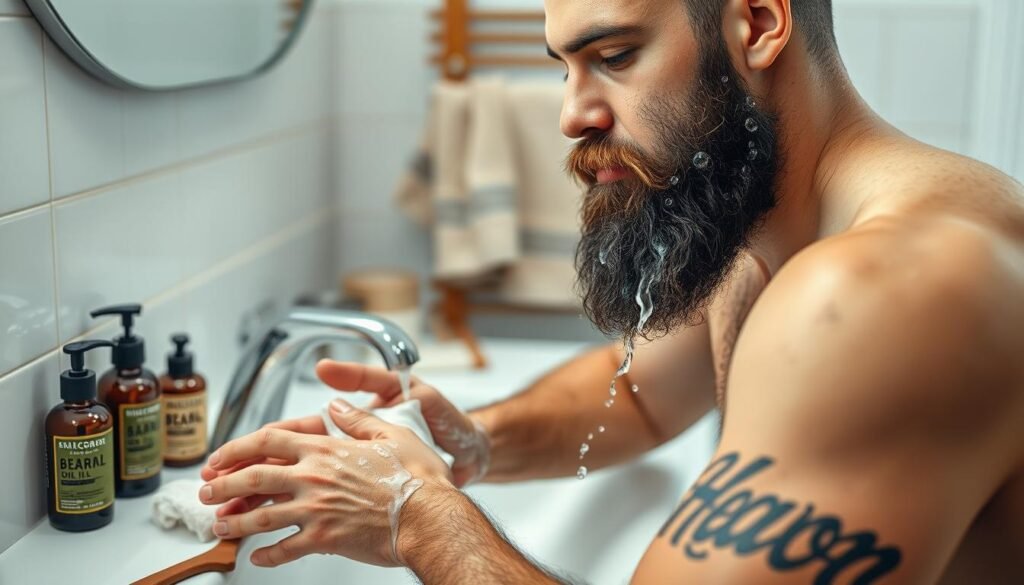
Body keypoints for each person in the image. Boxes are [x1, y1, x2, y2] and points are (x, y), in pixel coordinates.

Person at [199, 0, 1024, 582]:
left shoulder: (885, 292)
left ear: (759, 25)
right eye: (563, 66)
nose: (572, 113)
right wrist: (473, 440)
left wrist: (416, 511)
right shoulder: (768, 221)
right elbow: (638, 399)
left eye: (616, 55)